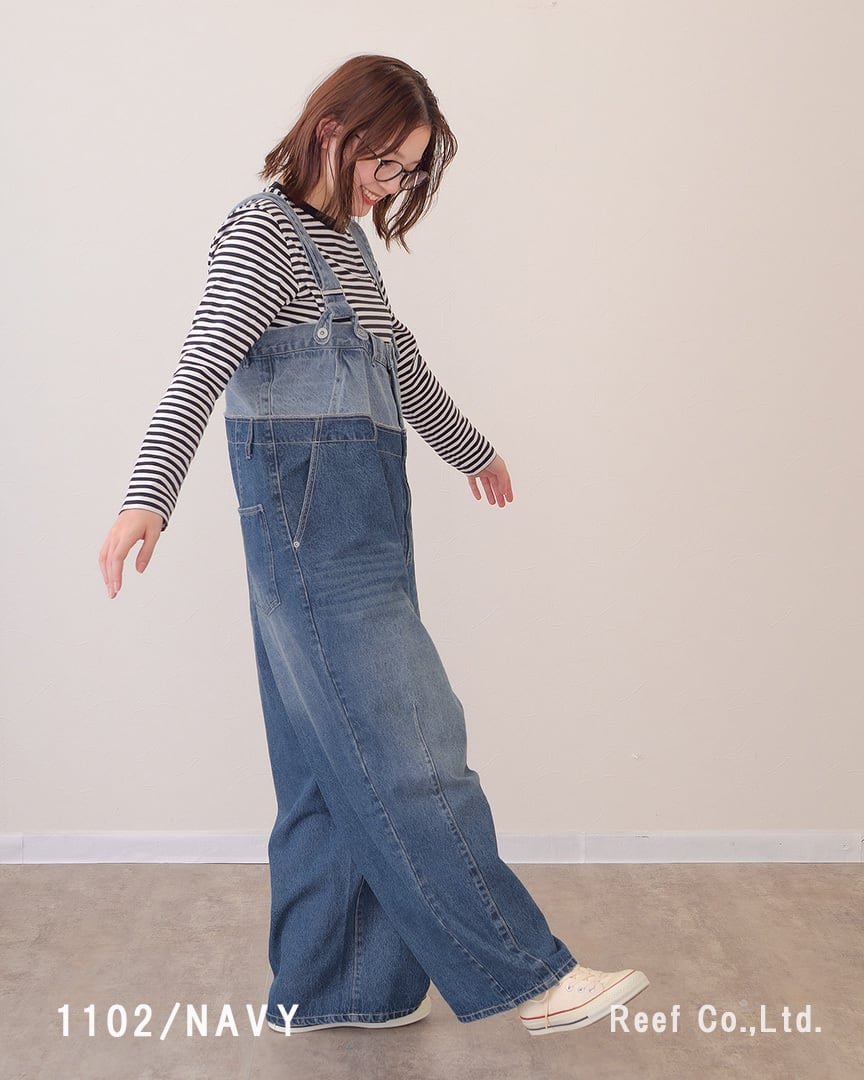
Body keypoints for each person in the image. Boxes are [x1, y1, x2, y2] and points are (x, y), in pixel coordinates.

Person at [98, 54, 649, 1036]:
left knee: (327, 770)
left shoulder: (347, 243)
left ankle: (338, 991)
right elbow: (200, 366)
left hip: (368, 529)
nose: (389, 186)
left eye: (408, 172)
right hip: (313, 541)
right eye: (383, 162)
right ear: (332, 130)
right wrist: (149, 498)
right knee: (413, 751)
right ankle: (530, 978)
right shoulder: (262, 234)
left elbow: (402, 363)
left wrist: (470, 449)